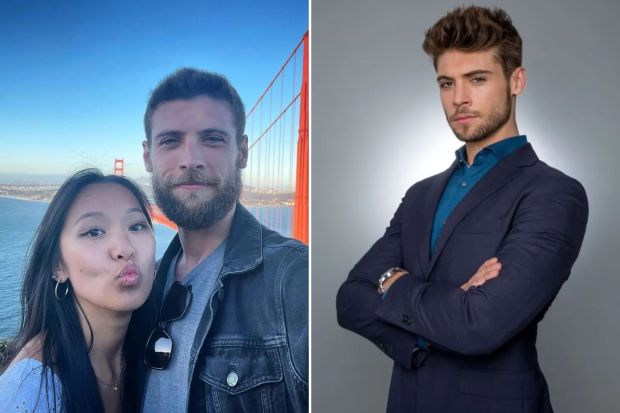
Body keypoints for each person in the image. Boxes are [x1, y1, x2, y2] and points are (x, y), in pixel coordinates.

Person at [336, 6, 588, 413]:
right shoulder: (420, 194)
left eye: (477, 79)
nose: (459, 99)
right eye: (446, 83)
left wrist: (390, 282)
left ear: (516, 80)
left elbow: (479, 326)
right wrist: (429, 327)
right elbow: (349, 300)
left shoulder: (555, 194)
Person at [138, 68, 308, 412]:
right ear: (147, 157)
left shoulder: (294, 279)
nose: (190, 160)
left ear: (242, 151)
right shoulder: (141, 286)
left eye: (212, 138)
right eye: (171, 140)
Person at [0, 169, 156, 413]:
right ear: (57, 267)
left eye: (136, 226)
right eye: (94, 232)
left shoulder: (152, 354)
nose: (125, 248)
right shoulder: (32, 389)